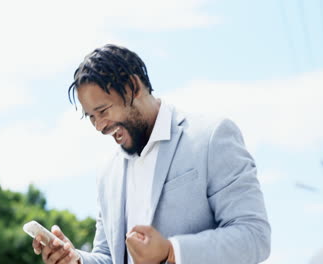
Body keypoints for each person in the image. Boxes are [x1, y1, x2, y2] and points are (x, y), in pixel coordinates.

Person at [32, 44, 271, 264]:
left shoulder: (211, 136)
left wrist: (171, 250)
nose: (99, 126)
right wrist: (76, 260)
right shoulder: (108, 173)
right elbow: (109, 256)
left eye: (103, 110)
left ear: (133, 87)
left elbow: (254, 236)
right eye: (91, 117)